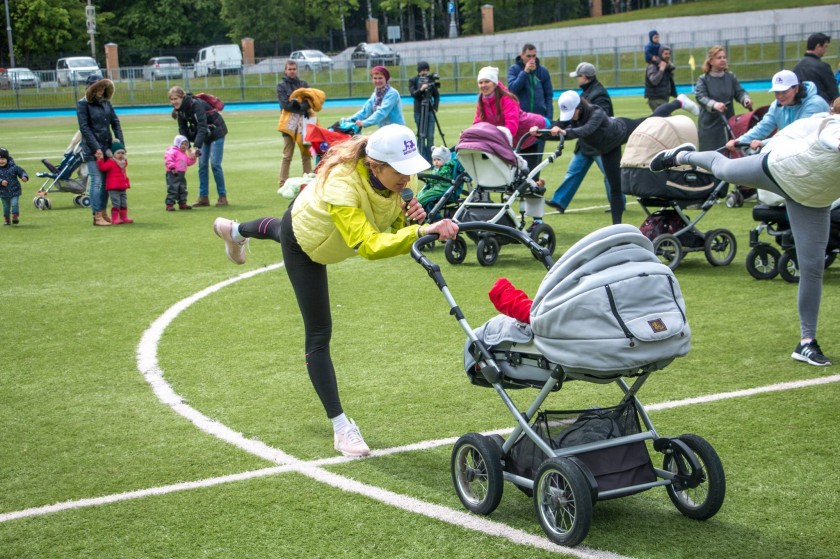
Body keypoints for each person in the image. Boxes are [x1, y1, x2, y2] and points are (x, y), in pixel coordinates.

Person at [211, 125, 459, 457]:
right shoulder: (342, 184)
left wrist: (409, 220)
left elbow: (388, 224)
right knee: (319, 332)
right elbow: (369, 245)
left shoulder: (397, 178)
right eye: (401, 171)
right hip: (307, 245)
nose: (407, 178)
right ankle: (342, 428)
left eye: (410, 169)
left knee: (278, 227)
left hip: (318, 227)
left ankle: (234, 230)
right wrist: (420, 231)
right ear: (375, 165)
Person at [650, 97, 840, 366]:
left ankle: (806, 343)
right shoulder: (834, 125)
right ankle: (681, 156)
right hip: (778, 171)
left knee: (812, 267)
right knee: (724, 169)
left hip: (812, 198)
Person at [534, 89, 699, 225]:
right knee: (615, 186)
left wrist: (565, 131)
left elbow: (584, 131)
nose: (569, 118)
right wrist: (539, 133)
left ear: (580, 107)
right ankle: (617, 227)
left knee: (653, 119)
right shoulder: (572, 116)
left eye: (572, 113)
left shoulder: (596, 112)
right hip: (607, 149)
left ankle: (679, 102)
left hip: (623, 130)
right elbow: (557, 127)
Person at [474, 66, 550, 231]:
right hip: (509, 141)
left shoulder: (507, 99)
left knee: (528, 181)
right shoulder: (482, 100)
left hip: (531, 135)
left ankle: (537, 220)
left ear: (494, 83)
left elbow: (512, 125)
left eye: (486, 81)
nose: (483, 85)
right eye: (480, 82)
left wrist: (504, 146)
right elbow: (478, 123)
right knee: (512, 181)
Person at [546, 62, 616, 213]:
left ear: (584, 77)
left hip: (600, 144)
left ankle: (618, 202)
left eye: (578, 76)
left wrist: (571, 131)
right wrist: (547, 131)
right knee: (573, 172)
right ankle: (559, 202)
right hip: (585, 143)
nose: (577, 79)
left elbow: (601, 119)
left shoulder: (599, 94)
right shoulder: (585, 93)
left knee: (610, 174)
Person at [724, 70, 828, 151]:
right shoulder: (777, 105)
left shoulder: (815, 104)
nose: (780, 96)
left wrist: (765, 143)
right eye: (777, 92)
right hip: (796, 153)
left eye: (784, 91)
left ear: (796, 88)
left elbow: (799, 134)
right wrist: (739, 141)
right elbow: (763, 127)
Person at [168, 86, 229, 207]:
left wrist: (196, 147)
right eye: (171, 99)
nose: (173, 102)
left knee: (215, 164)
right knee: (202, 165)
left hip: (217, 132)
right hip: (204, 135)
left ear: (182, 97)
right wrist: (188, 148)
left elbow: (202, 125)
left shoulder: (195, 105)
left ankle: (222, 197)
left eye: (175, 98)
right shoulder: (179, 110)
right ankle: (203, 198)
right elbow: (182, 129)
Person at [77, 74, 124, 227]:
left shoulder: (106, 103)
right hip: (92, 150)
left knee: (106, 183)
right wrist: (96, 148)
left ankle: (103, 213)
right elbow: (84, 128)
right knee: (97, 181)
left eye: (103, 87)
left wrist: (120, 145)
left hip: (107, 148)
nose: (101, 90)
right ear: (91, 88)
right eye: (98, 87)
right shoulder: (83, 104)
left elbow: (115, 123)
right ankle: (97, 216)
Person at [507, 43, 554, 178]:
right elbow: (512, 90)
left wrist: (549, 118)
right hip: (522, 122)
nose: (531, 59)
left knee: (537, 158)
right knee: (519, 158)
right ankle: (519, 186)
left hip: (539, 122)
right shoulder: (514, 70)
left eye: (534, 56)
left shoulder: (542, 71)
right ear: (522, 55)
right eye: (528, 56)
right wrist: (525, 72)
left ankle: (533, 187)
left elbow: (548, 96)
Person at [694, 45, 753, 152]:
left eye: (724, 57)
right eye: (719, 57)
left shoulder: (730, 77)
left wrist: (745, 99)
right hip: (710, 125)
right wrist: (714, 105)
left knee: (729, 152)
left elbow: (739, 92)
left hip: (728, 121)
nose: (723, 60)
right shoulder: (703, 79)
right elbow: (700, 96)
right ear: (711, 61)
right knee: (710, 154)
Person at [276, 60, 314, 190]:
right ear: (285, 71)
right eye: (289, 69)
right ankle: (282, 183)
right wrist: (299, 106)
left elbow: (310, 101)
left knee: (306, 154)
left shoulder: (303, 84)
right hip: (288, 124)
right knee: (287, 155)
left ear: (297, 70)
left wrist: (299, 105)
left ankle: (309, 181)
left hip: (304, 122)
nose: (292, 71)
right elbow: (285, 104)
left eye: (294, 69)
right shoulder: (281, 86)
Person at [348, 66, 405, 131]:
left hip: (397, 131)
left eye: (380, 78)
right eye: (375, 78)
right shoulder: (375, 95)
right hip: (384, 130)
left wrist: (364, 123)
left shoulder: (392, 93)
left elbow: (382, 112)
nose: (377, 81)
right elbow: (365, 111)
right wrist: (349, 120)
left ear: (386, 79)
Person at [792, 32, 838, 104]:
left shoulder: (796, 67)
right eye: (825, 46)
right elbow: (834, 94)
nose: (826, 50)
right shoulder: (823, 67)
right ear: (818, 46)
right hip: (822, 108)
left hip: (801, 109)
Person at [408, 61, 440, 162]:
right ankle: (422, 158)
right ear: (418, 71)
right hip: (418, 111)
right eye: (422, 70)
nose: (424, 72)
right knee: (421, 135)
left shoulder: (430, 80)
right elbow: (413, 94)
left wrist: (435, 106)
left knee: (430, 136)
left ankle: (431, 159)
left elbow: (436, 95)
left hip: (430, 110)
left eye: (426, 70)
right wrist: (421, 89)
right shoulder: (413, 80)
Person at [95, 141, 133, 225]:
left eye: (122, 153)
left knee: (123, 202)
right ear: (113, 154)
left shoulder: (122, 162)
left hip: (122, 186)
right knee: (116, 203)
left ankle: (124, 217)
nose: (120, 155)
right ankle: (115, 218)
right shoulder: (111, 162)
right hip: (113, 187)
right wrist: (100, 160)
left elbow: (125, 162)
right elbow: (103, 168)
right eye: (118, 153)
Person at [417, 145, 455, 213]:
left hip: (441, 189)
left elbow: (437, 177)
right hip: (435, 187)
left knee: (424, 197)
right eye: (434, 160)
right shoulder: (436, 168)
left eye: (438, 159)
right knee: (420, 194)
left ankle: (419, 209)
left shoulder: (446, 168)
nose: (436, 162)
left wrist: (428, 178)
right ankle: (419, 207)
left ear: (445, 160)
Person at [164, 135, 197, 211]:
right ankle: (169, 204)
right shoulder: (172, 151)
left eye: (186, 144)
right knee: (173, 188)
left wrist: (193, 158)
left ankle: (182, 203)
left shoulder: (184, 154)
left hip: (182, 174)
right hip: (173, 172)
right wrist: (172, 167)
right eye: (182, 144)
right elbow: (168, 159)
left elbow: (188, 162)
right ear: (177, 143)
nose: (184, 146)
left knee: (182, 188)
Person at [645, 45, 678, 111]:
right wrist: (661, 70)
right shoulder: (653, 66)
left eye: (669, 54)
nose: (668, 56)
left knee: (660, 119)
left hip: (664, 98)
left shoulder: (666, 66)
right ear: (660, 54)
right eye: (665, 54)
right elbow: (654, 81)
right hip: (656, 98)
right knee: (666, 118)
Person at [0, 147, 28, 226]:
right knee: (6, 206)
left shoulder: (13, 167)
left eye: (3, 159)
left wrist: (24, 176)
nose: (1, 161)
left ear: (7, 159)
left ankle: (15, 216)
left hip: (14, 190)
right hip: (3, 192)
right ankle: (7, 219)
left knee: (14, 203)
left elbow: (21, 171)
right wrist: (1, 181)